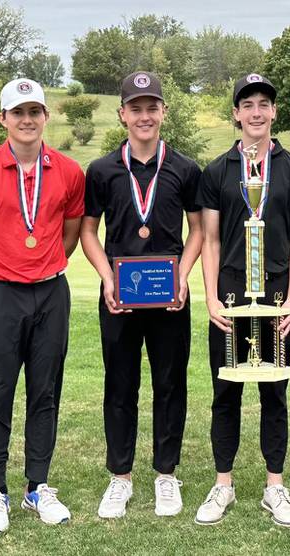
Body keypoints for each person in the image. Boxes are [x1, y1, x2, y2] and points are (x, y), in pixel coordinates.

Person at [0, 78, 85, 534]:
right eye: (18, 113)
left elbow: (69, 234)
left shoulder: (68, 171)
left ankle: (37, 487)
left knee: (44, 390)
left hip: (51, 292)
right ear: (3, 119)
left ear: (46, 117)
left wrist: (43, 265)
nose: (27, 121)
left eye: (35, 112)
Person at [80, 72, 202, 519]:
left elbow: (199, 230)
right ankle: (121, 478)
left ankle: (167, 475)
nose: (145, 116)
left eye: (153, 107)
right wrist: (106, 277)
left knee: (170, 385)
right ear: (122, 115)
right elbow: (88, 232)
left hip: (170, 297)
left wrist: (184, 275)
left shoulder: (186, 169)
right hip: (119, 297)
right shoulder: (102, 170)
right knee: (120, 385)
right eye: (136, 108)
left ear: (163, 112)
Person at [195, 73, 290, 528]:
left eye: (264, 104)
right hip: (230, 295)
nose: (257, 112)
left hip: (277, 296)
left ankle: (274, 487)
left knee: (274, 394)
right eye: (249, 105)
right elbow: (208, 240)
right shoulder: (217, 170)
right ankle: (222, 485)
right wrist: (211, 299)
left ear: (274, 112)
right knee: (224, 393)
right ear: (236, 115)